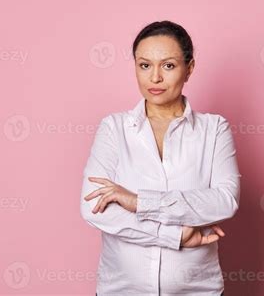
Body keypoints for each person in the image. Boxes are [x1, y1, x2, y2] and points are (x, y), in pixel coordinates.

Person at [81, 20, 241, 295]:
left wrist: (138, 202)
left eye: (168, 65)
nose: (155, 78)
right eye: (144, 65)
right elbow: (94, 207)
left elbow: (225, 201)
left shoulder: (214, 129)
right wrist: (174, 235)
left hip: (197, 290)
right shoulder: (114, 128)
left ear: (189, 69)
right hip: (121, 290)